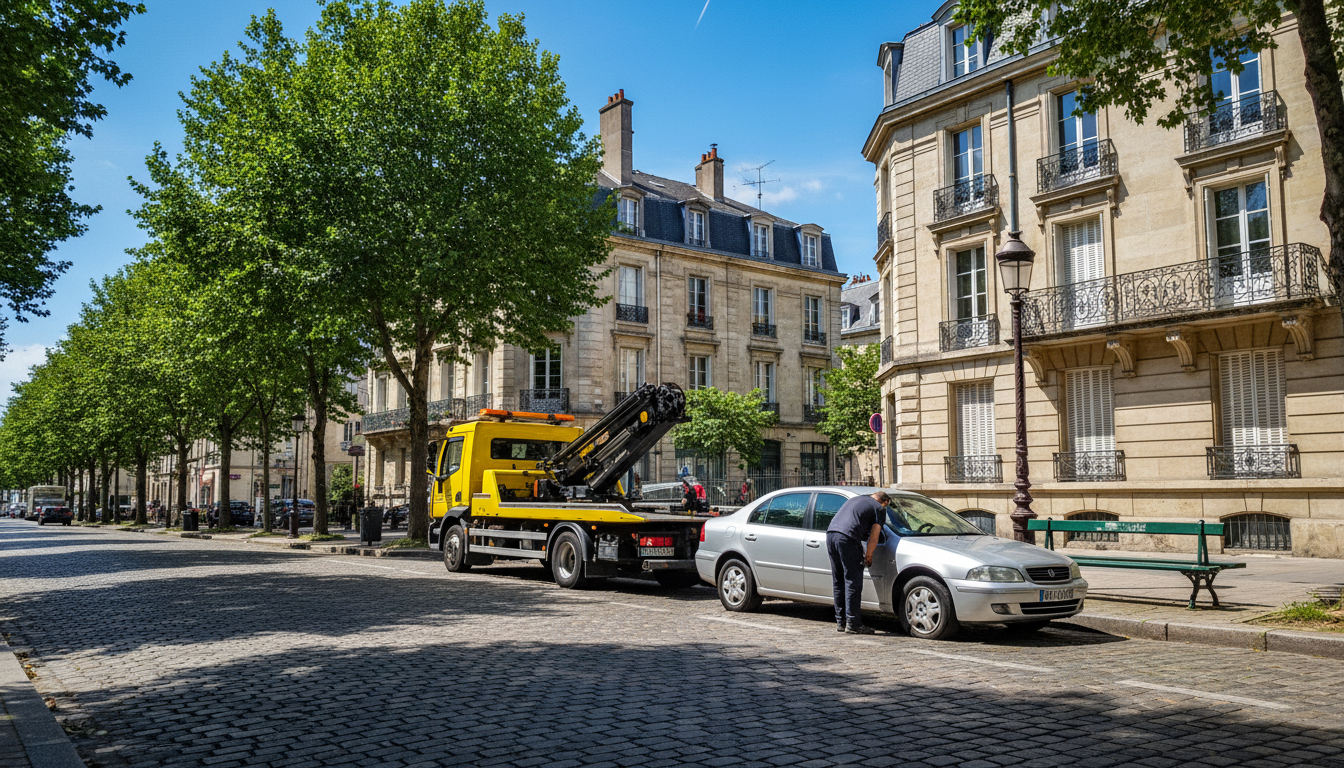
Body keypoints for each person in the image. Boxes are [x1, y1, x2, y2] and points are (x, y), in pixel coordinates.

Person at [826, 490, 891, 634]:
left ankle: (841, 622)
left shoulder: (855, 499)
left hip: (831, 535)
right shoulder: (879, 508)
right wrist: (869, 555)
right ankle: (853, 623)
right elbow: (875, 535)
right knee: (853, 581)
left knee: (839, 580)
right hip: (847, 538)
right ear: (885, 502)